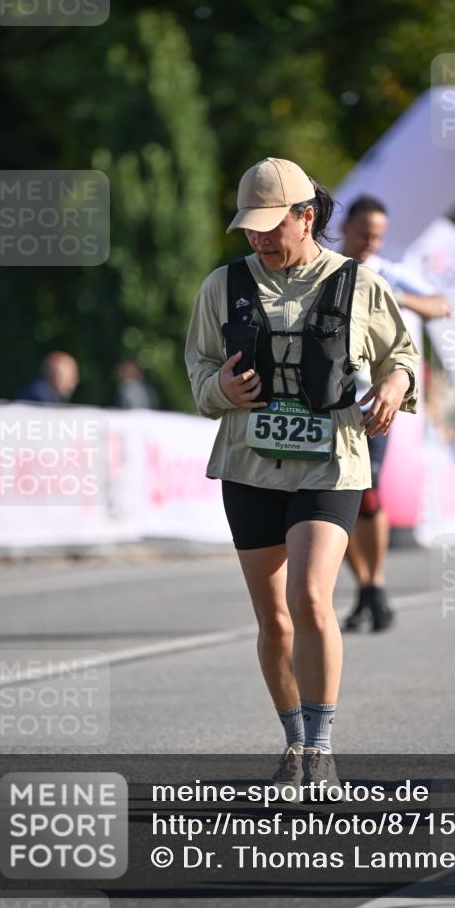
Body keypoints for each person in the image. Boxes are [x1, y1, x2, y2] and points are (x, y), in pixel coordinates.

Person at [185, 158, 419, 797]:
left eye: (271, 225)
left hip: (333, 459)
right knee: (273, 618)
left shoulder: (357, 283)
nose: (259, 238)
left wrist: (395, 385)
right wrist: (221, 388)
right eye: (250, 228)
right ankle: (292, 740)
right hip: (250, 464)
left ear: (306, 215)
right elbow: (200, 368)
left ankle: (321, 749)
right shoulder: (224, 284)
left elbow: (402, 355)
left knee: (310, 597)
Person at [340, 196, 452, 631]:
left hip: (371, 402)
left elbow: (442, 305)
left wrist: (397, 296)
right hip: (325, 403)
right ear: (345, 227)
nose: (371, 242)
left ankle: (376, 584)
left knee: (367, 496)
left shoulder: (386, 272)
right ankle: (367, 588)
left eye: (379, 236)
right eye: (364, 232)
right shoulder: (324, 266)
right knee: (334, 499)